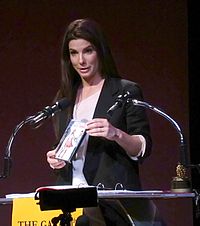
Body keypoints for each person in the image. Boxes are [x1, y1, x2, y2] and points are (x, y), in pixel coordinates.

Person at [46, 18, 164, 226]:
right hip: (71, 201)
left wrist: (115, 133)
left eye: (88, 51)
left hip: (111, 201)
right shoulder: (64, 98)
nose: (81, 60)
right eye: (74, 53)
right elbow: (66, 147)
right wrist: (56, 158)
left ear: (100, 51)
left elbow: (142, 147)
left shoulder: (125, 91)